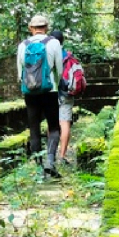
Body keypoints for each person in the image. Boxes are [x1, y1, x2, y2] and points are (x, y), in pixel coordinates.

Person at [17, 14, 64, 178]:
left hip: (30, 93)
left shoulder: (23, 45)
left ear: (31, 28)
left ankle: (38, 169)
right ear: (46, 27)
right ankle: (50, 161)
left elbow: (20, 73)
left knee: (34, 128)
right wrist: (56, 84)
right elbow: (60, 69)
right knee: (54, 127)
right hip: (50, 91)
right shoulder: (54, 43)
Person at [52, 29, 75, 164]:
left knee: (52, 124)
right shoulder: (68, 55)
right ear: (62, 41)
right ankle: (62, 155)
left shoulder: (49, 53)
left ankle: (52, 154)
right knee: (65, 123)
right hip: (66, 92)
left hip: (51, 92)